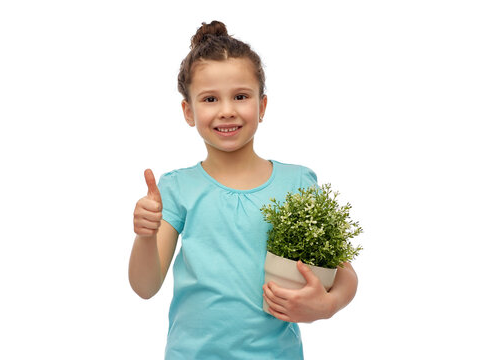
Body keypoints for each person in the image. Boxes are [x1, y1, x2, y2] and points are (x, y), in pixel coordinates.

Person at [128, 20, 358, 359]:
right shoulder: (176, 188)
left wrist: (327, 306)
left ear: (262, 106)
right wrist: (145, 235)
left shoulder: (296, 183)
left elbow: (344, 274)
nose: (227, 110)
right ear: (188, 112)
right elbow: (145, 287)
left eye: (240, 96)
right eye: (209, 99)